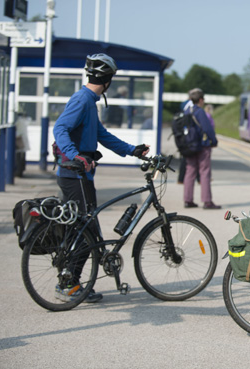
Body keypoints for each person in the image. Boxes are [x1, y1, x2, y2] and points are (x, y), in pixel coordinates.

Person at [53, 53, 150, 303]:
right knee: (87, 229)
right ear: (107, 79)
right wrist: (76, 156)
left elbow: (102, 135)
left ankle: (71, 280)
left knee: (87, 228)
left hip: (79, 173)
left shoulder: (89, 100)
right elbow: (60, 128)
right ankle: (69, 284)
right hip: (74, 173)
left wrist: (132, 150)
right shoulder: (82, 99)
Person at [182, 88, 220, 209]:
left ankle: (188, 200)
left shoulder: (187, 111)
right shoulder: (200, 112)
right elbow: (208, 129)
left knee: (190, 172)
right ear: (200, 99)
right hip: (202, 146)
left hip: (189, 146)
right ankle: (207, 201)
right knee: (204, 172)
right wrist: (213, 141)